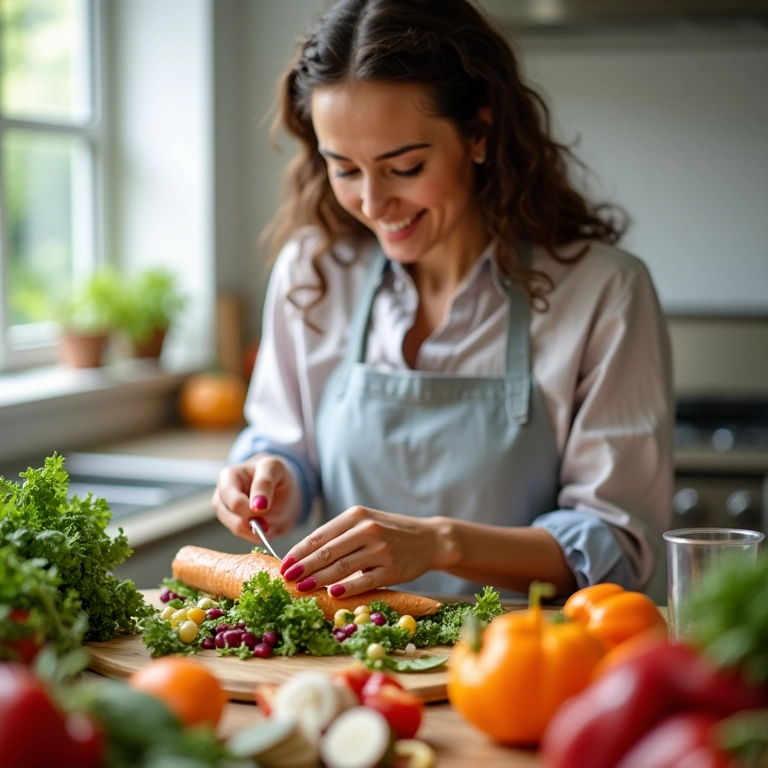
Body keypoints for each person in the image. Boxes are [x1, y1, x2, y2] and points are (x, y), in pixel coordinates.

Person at [213, 0, 674, 601]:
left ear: (478, 133)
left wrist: (439, 544)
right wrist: (271, 479)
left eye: (404, 166)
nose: (375, 204)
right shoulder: (314, 271)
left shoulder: (604, 293)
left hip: (527, 663)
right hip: (356, 658)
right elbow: (287, 445)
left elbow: (616, 546)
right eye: (345, 170)